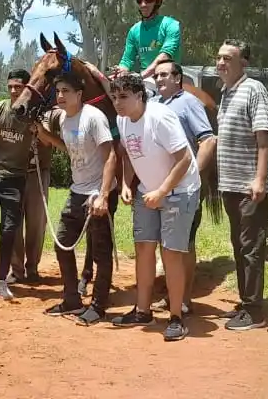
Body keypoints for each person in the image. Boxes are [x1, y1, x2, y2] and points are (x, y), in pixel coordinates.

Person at [108, 74, 200, 342]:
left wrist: (162, 191)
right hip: (147, 190)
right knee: (143, 247)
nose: (118, 103)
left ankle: (175, 317)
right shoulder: (122, 120)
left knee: (171, 253)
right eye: (114, 97)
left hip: (178, 191)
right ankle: (142, 310)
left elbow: (184, 158)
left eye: (123, 96)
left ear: (140, 95)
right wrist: (126, 183)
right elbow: (127, 153)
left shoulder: (160, 117)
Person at [0, 70, 55, 302]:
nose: (15, 91)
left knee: (8, 231)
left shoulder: (31, 114)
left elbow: (50, 143)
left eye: (19, 86)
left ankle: (0, 280)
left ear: (27, 88)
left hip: (15, 179)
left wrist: (39, 131)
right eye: (11, 87)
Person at [38, 74, 118, 325]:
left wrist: (104, 196)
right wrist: (43, 134)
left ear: (79, 94)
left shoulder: (94, 117)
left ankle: (98, 306)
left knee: (100, 253)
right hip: (77, 191)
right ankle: (72, 299)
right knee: (62, 244)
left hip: (97, 193)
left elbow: (111, 156)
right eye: (58, 91)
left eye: (66, 91)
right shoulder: (63, 118)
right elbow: (69, 147)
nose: (60, 96)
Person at [215, 39, 268, 331]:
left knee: (251, 247)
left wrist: (260, 179)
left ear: (244, 64)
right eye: (219, 58)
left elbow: (264, 139)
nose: (221, 63)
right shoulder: (227, 92)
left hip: (249, 187)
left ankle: (255, 311)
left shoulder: (254, 90)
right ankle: (246, 302)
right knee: (239, 245)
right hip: (230, 186)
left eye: (228, 58)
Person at [151, 61, 218, 316]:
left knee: (184, 243)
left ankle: (185, 299)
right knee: (166, 242)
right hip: (162, 185)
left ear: (178, 78)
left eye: (165, 75)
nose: (160, 79)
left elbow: (208, 140)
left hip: (185, 186)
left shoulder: (189, 102)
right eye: (157, 75)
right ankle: (172, 294)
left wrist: (195, 176)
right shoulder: (155, 105)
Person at [10, 107, 59, 284]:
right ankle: (16, 270)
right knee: (13, 223)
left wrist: (39, 130)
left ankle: (32, 268)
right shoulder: (11, 111)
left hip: (37, 173)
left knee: (37, 224)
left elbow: (48, 143)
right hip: (14, 173)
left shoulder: (50, 113)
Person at [115, 0, 182, 82]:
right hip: (145, 80)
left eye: (148, 0)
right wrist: (121, 71)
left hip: (168, 77)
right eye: (139, 0)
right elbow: (127, 60)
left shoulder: (171, 25)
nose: (143, 4)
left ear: (157, 2)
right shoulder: (134, 31)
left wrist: (141, 76)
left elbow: (164, 56)